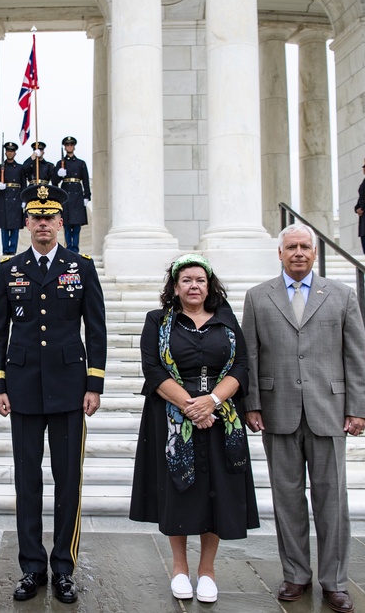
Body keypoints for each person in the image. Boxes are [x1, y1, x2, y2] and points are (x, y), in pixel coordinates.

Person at [242, 223, 365, 613]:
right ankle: (295, 574)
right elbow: (249, 356)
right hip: (277, 411)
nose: (298, 252)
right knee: (287, 500)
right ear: (279, 253)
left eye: (305, 247)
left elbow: (356, 356)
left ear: (314, 253)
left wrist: (358, 408)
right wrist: (251, 403)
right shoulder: (257, 297)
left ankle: (335, 581)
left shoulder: (342, 295)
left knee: (332, 500)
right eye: (291, 247)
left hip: (329, 412)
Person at [0, 184, 107, 604]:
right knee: (27, 481)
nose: (42, 223)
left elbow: (96, 329)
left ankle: (63, 567)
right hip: (21, 389)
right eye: (35, 217)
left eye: (49, 217)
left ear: (61, 222)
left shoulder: (81, 267)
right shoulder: (10, 269)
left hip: (70, 388)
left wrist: (94, 384)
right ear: (25, 223)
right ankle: (31, 566)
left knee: (67, 480)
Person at [129, 254, 259, 604]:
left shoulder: (227, 320)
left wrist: (212, 401)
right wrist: (191, 405)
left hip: (220, 417)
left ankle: (208, 571)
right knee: (179, 491)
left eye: (200, 279)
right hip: (171, 416)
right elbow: (153, 369)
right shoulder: (158, 321)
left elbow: (242, 366)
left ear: (209, 284)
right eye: (186, 280)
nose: (193, 286)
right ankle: (179, 568)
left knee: (216, 491)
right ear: (175, 286)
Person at [53, 136, 91, 253]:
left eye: (71, 144)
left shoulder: (81, 163)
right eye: (67, 145)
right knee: (67, 224)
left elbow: (85, 181)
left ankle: (75, 248)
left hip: (78, 194)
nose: (69, 146)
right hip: (66, 194)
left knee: (77, 225)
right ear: (65, 147)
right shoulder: (60, 163)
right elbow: (54, 182)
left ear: (74, 146)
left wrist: (87, 196)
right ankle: (69, 247)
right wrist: (59, 174)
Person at [0, 141, 26, 255]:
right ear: (5, 153)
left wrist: (23, 200)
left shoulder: (20, 168)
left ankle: (12, 250)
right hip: (4, 198)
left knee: (15, 227)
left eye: (12, 151)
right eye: (8, 151)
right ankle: (5, 250)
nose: (10, 153)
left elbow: (23, 185)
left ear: (15, 153)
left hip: (16, 198)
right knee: (4, 226)